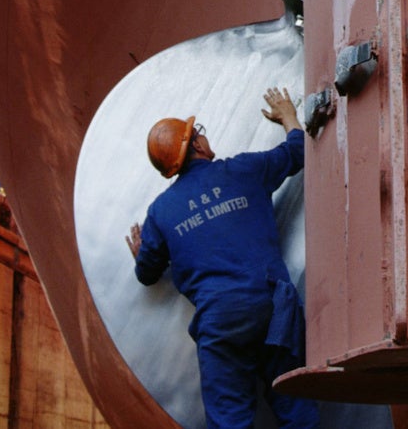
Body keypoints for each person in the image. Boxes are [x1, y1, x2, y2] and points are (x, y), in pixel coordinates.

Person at [126, 88, 316, 428]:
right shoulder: (242, 170)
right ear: (197, 145)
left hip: (221, 322)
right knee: (296, 408)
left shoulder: (161, 212)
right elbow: (299, 150)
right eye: (199, 133)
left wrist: (142, 256)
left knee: (229, 422)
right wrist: (287, 114)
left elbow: (147, 274)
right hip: (272, 305)